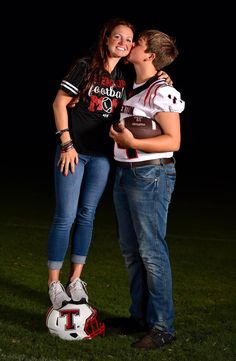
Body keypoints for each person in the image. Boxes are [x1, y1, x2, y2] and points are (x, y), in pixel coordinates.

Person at [48, 18, 172, 311]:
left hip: (102, 157)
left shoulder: (125, 77)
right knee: (66, 216)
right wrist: (66, 143)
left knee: (88, 215)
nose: (124, 43)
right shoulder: (84, 66)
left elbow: (148, 84)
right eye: (118, 37)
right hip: (74, 153)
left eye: (129, 40)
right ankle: (54, 283)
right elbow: (58, 103)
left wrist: (163, 78)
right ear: (106, 39)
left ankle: (75, 280)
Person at [109, 29, 185, 349]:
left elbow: (173, 141)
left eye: (137, 43)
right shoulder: (135, 86)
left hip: (150, 176)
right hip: (125, 175)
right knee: (132, 252)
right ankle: (138, 317)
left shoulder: (162, 90)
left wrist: (132, 142)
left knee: (152, 252)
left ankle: (162, 327)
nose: (131, 45)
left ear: (150, 55)